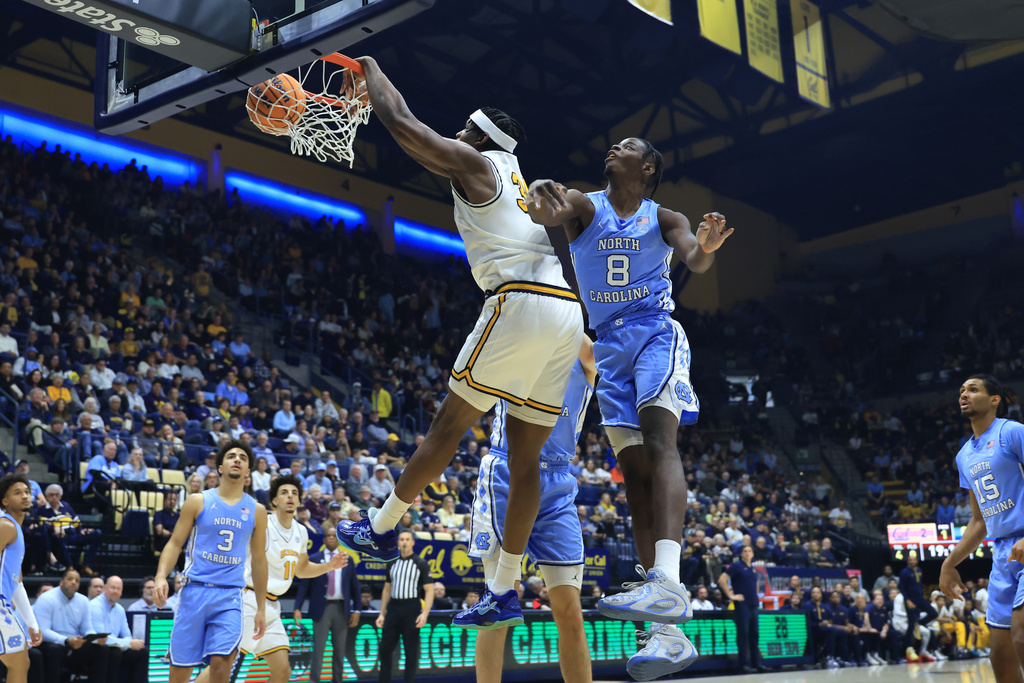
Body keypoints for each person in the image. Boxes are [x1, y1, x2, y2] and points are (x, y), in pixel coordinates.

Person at [339, 61, 585, 639]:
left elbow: (402, 123)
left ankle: (380, 527)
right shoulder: (516, 181)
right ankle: (503, 590)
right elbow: (424, 148)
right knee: (525, 460)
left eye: (463, 129)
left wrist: (370, 69)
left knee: (447, 429)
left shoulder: (480, 164)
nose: (456, 134)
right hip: (567, 319)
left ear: (480, 137)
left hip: (520, 301)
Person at [525, 142, 730, 643]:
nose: (617, 145)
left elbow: (694, 261)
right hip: (608, 346)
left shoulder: (665, 217)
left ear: (648, 167)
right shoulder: (585, 203)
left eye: (631, 146)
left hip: (656, 332)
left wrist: (703, 248)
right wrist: (538, 199)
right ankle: (664, 631)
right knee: (635, 483)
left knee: (662, 444)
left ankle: (669, 580)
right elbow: (552, 208)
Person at [456, 344, 614, 682]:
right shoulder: (518, 341)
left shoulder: (581, 353)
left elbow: (593, 350)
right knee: (498, 604)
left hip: (557, 481)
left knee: (571, 612)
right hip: (507, 472)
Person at [195, 474, 347, 683]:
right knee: (224, 664)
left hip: (273, 607)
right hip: (248, 600)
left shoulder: (301, 531)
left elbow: (301, 570)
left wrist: (329, 566)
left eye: (294, 493)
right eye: (284, 492)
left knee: (282, 670)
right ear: (274, 500)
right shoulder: (262, 524)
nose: (290, 496)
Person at [152, 440, 268, 683]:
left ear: (248, 472)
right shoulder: (198, 501)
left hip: (230, 597)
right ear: (220, 468)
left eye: (243, 458)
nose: (237, 459)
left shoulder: (257, 510)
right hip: (194, 592)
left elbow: (258, 560)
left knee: (221, 664)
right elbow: (174, 543)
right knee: (180, 673)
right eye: (231, 456)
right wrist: (161, 576)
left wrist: (261, 607)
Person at [939, 375, 1024, 682]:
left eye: (973, 389)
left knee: (1021, 635)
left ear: (994, 399)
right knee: (1000, 655)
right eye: (961, 390)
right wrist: (949, 563)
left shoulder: (1011, 432)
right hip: (1003, 553)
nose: (964, 394)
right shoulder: (964, 455)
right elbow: (979, 520)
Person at [294, 527, 361, 683]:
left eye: (334, 536)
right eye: (328, 536)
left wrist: (357, 610)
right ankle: (314, 681)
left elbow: (355, 587)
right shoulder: (315, 558)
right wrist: (297, 607)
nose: (331, 538)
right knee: (318, 650)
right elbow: (304, 585)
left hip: (341, 608)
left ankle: (337, 680)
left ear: (338, 540)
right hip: (321, 609)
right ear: (324, 540)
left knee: (339, 652)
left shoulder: (347, 559)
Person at [33, 569, 115, 683]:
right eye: (70, 579)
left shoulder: (83, 601)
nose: (73, 582)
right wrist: (66, 640)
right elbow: (43, 631)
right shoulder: (47, 598)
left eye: (77, 580)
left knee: (102, 649)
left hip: (74, 644)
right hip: (52, 643)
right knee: (55, 650)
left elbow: (87, 628)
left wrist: (95, 639)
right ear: (61, 582)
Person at [0, 474, 43, 683]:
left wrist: (31, 622)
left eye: (27, 492)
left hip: (5, 603)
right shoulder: (5, 526)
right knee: (19, 660)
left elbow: (17, 582)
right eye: (18, 493)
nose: (25, 496)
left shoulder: (17, 530)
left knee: (20, 660)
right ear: (5, 501)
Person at [376, 530, 433, 683]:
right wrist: (382, 613)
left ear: (413, 542)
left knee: (410, 652)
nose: (404, 542)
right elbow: (387, 589)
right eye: (401, 539)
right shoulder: (392, 562)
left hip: (411, 608)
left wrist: (425, 614)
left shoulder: (421, 563)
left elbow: (429, 590)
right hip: (394, 608)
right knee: (385, 649)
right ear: (398, 542)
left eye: (407, 539)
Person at [88, 575, 148, 683]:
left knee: (142, 652)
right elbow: (101, 638)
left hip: (115, 649)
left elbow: (127, 635)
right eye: (113, 588)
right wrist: (126, 643)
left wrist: (123, 644)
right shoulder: (94, 606)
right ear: (105, 588)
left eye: (118, 589)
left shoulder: (120, 610)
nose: (115, 591)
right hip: (96, 650)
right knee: (114, 652)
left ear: (121, 592)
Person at [717, 545, 766, 673]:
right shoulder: (736, 566)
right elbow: (722, 579)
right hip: (742, 605)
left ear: (753, 553)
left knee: (755, 635)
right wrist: (731, 595)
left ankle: (756, 663)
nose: (747, 553)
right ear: (741, 554)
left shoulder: (753, 569)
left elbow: (755, 585)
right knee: (743, 635)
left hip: (754, 605)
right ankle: (743, 664)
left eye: (750, 551)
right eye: (745, 551)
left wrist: (755, 597)